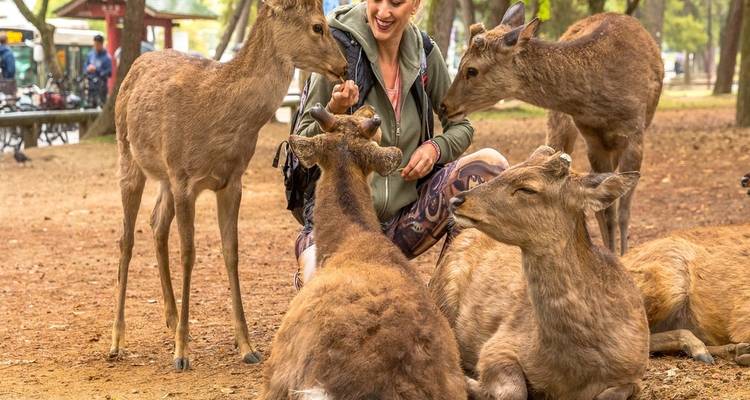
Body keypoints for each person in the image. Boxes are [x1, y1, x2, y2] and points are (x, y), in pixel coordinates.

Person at [291, 0, 509, 289]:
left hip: (405, 223)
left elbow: (462, 125)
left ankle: (443, 296)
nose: (383, 12)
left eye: (395, 2)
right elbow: (301, 145)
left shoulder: (425, 54)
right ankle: (314, 276)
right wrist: (335, 108)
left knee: (490, 166)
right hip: (342, 226)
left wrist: (435, 148)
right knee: (323, 290)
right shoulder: (338, 47)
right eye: (377, 0)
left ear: (415, 4)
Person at [83, 34, 112, 105]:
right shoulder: (90, 55)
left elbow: (109, 73)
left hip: (101, 87)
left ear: (101, 44)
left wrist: (96, 70)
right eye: (95, 44)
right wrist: (87, 69)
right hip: (90, 86)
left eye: (97, 44)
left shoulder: (107, 57)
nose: (96, 46)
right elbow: (85, 67)